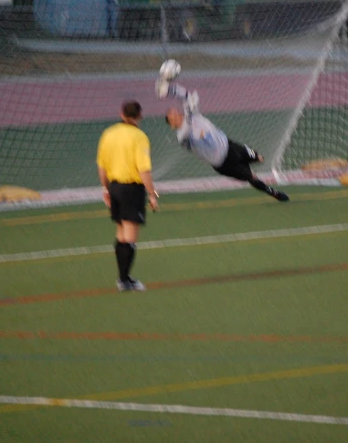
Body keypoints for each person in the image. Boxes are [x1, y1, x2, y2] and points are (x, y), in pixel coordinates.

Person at [156, 79, 290, 202]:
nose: (176, 113)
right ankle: (273, 193)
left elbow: (185, 95)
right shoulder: (182, 137)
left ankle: (255, 167)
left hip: (231, 147)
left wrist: (168, 89)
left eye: (175, 111)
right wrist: (189, 108)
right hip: (223, 163)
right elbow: (188, 124)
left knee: (260, 158)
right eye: (172, 114)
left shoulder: (193, 114)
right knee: (251, 177)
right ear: (172, 124)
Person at [96, 100, 159, 292]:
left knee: (121, 232)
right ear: (139, 116)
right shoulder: (140, 137)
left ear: (122, 114)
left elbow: (102, 167)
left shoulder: (109, 133)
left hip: (114, 186)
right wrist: (152, 194)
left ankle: (122, 278)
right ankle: (125, 280)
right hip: (131, 189)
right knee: (130, 236)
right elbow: (144, 170)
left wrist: (106, 189)